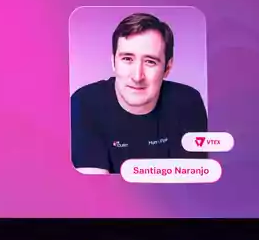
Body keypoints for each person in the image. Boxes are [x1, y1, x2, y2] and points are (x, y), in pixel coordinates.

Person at [71, 12, 208, 174]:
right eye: (127, 59)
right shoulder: (84, 103)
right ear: (113, 62)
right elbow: (94, 192)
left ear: (167, 68)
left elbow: (192, 188)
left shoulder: (188, 103)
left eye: (150, 62)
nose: (137, 76)